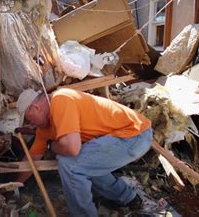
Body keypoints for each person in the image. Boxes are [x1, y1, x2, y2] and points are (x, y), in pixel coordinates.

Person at [16, 88, 153, 216]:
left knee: (70, 165)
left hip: (134, 134)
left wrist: (51, 146)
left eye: (28, 119)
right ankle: (130, 199)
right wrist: (14, 187)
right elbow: (31, 160)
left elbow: (72, 149)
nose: (30, 125)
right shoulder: (43, 130)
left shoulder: (61, 99)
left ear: (35, 108)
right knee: (84, 164)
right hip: (120, 138)